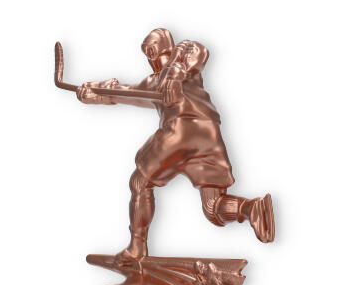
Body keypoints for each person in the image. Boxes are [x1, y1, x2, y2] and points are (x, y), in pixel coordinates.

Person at [76, 28, 275, 265]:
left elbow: (197, 50)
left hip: (179, 132)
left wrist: (176, 71)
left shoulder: (182, 66)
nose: (151, 57)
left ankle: (137, 247)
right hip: (208, 136)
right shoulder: (154, 83)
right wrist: (94, 92)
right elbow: (126, 93)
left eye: (151, 50)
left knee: (140, 182)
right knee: (213, 208)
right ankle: (251, 208)